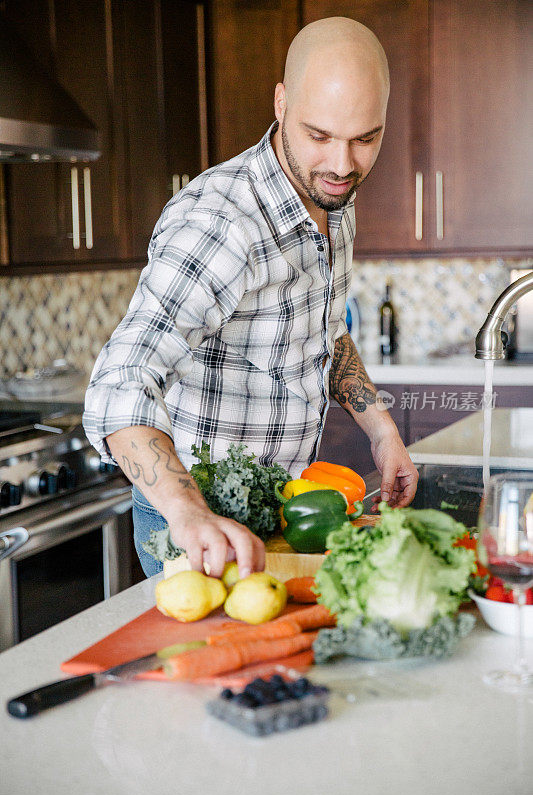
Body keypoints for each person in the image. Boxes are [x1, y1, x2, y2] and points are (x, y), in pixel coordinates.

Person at [83, 16, 419, 580]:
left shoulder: (329, 196)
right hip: (196, 523)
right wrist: (188, 513)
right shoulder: (221, 222)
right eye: (319, 136)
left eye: (365, 139)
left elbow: (323, 331)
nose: (342, 165)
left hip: (278, 506)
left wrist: (382, 431)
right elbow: (119, 385)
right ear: (282, 104)